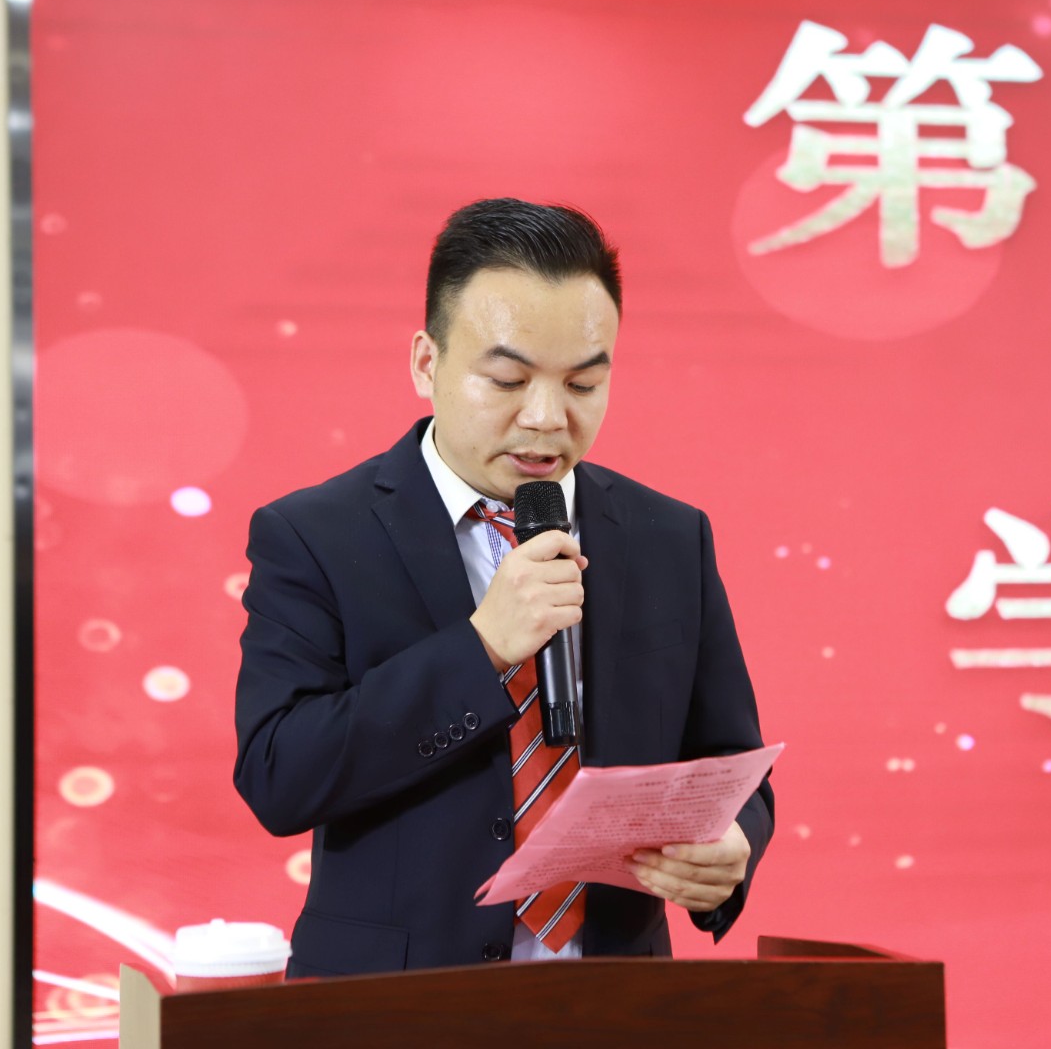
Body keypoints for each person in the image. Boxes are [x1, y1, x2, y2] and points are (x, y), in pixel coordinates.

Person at [233, 198, 774, 976]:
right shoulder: (315, 534)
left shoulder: (668, 537)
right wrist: (482, 647)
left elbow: (729, 761)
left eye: (583, 384)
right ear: (427, 363)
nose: (547, 418)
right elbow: (279, 776)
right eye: (508, 380)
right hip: (394, 1005)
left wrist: (733, 846)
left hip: (618, 998)